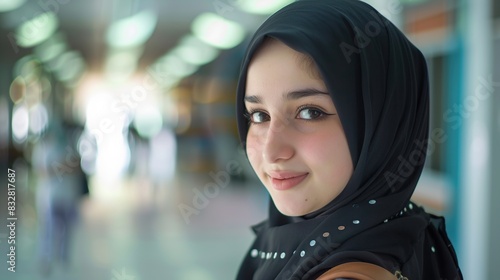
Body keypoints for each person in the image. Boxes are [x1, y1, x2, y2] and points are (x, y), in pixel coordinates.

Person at [234, 0, 462, 279]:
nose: (271, 151)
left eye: (309, 112)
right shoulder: (405, 231)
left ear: (381, 124)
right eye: (258, 115)